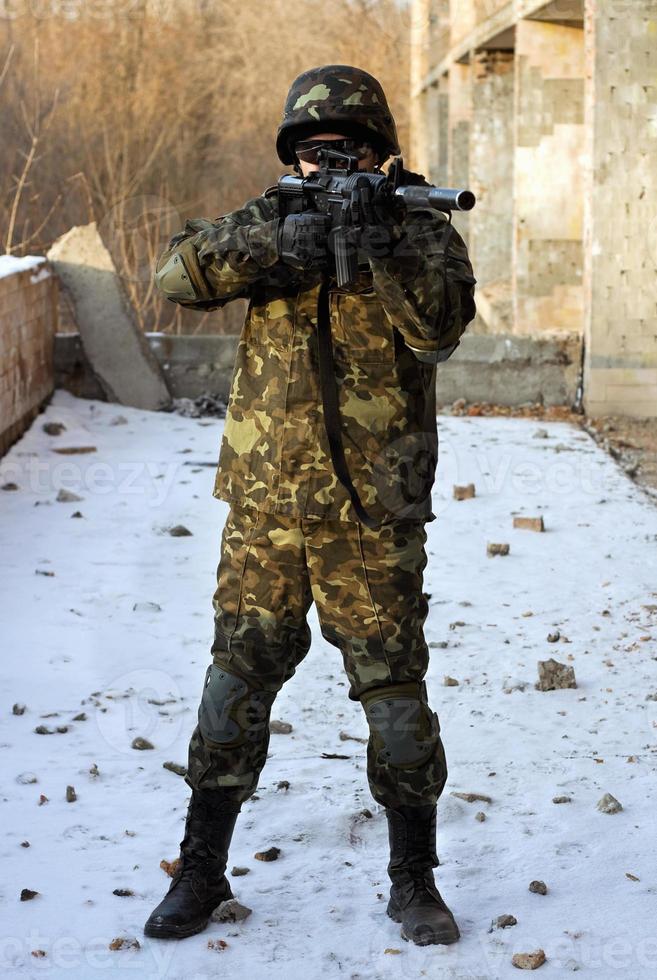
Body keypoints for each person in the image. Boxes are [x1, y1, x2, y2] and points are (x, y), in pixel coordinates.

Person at [145, 64, 476, 947]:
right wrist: (270, 242)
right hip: (266, 510)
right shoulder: (268, 219)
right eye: (313, 151)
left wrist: (384, 245)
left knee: (395, 698)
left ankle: (414, 880)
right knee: (234, 684)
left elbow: (437, 329)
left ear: (382, 150)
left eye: (350, 149)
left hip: (371, 517)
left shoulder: (419, 228)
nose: (331, 163)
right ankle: (202, 869)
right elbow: (175, 276)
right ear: (292, 156)